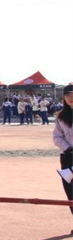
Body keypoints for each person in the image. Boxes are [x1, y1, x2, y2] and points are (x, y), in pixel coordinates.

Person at [54, 84, 73, 224]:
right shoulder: (61, 116)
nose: (70, 98)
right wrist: (67, 148)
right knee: (70, 192)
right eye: (67, 96)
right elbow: (57, 137)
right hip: (68, 158)